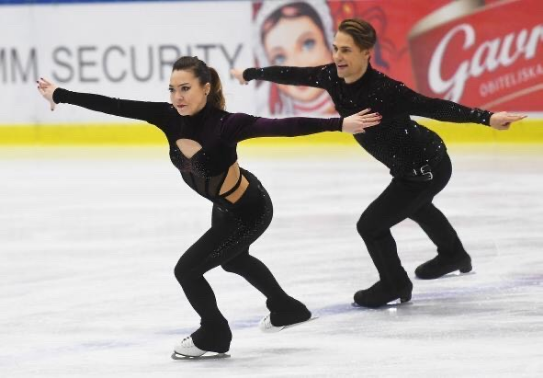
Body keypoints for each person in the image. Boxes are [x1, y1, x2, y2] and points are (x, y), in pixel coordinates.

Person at [37, 56, 380, 357]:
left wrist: (339, 124)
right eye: (172, 89)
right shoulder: (167, 117)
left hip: (250, 209)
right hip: (225, 206)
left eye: (185, 88)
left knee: (187, 270)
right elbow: (113, 103)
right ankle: (286, 308)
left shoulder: (228, 124)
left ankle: (215, 334)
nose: (177, 97)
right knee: (233, 260)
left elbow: (284, 127)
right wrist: (60, 95)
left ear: (205, 87)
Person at [231, 19, 526, 309]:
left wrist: (486, 118)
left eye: (346, 50)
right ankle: (453, 255)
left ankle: (394, 283)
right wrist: (252, 72)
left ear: (366, 53)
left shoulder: (386, 91)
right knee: (417, 206)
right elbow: (293, 74)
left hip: (426, 167)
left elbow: (434, 106)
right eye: (335, 48)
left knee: (371, 225)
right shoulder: (331, 76)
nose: (337, 56)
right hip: (411, 167)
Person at [253, 0, 336, 116]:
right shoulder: (262, 115)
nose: (296, 65)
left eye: (308, 44)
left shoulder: (360, 104)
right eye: (279, 58)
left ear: (328, 43)